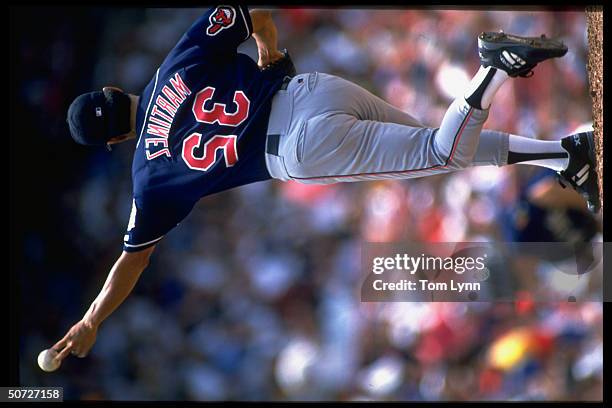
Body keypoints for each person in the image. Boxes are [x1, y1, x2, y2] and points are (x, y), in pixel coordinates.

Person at [54, 6, 599, 361]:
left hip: (299, 149)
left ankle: (495, 67)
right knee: (444, 146)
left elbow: (134, 259)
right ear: (112, 89)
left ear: (111, 143)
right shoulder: (171, 67)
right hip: (313, 89)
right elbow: (248, 12)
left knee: (442, 150)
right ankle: (563, 156)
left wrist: (91, 317)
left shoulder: (149, 174)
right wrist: (266, 41)